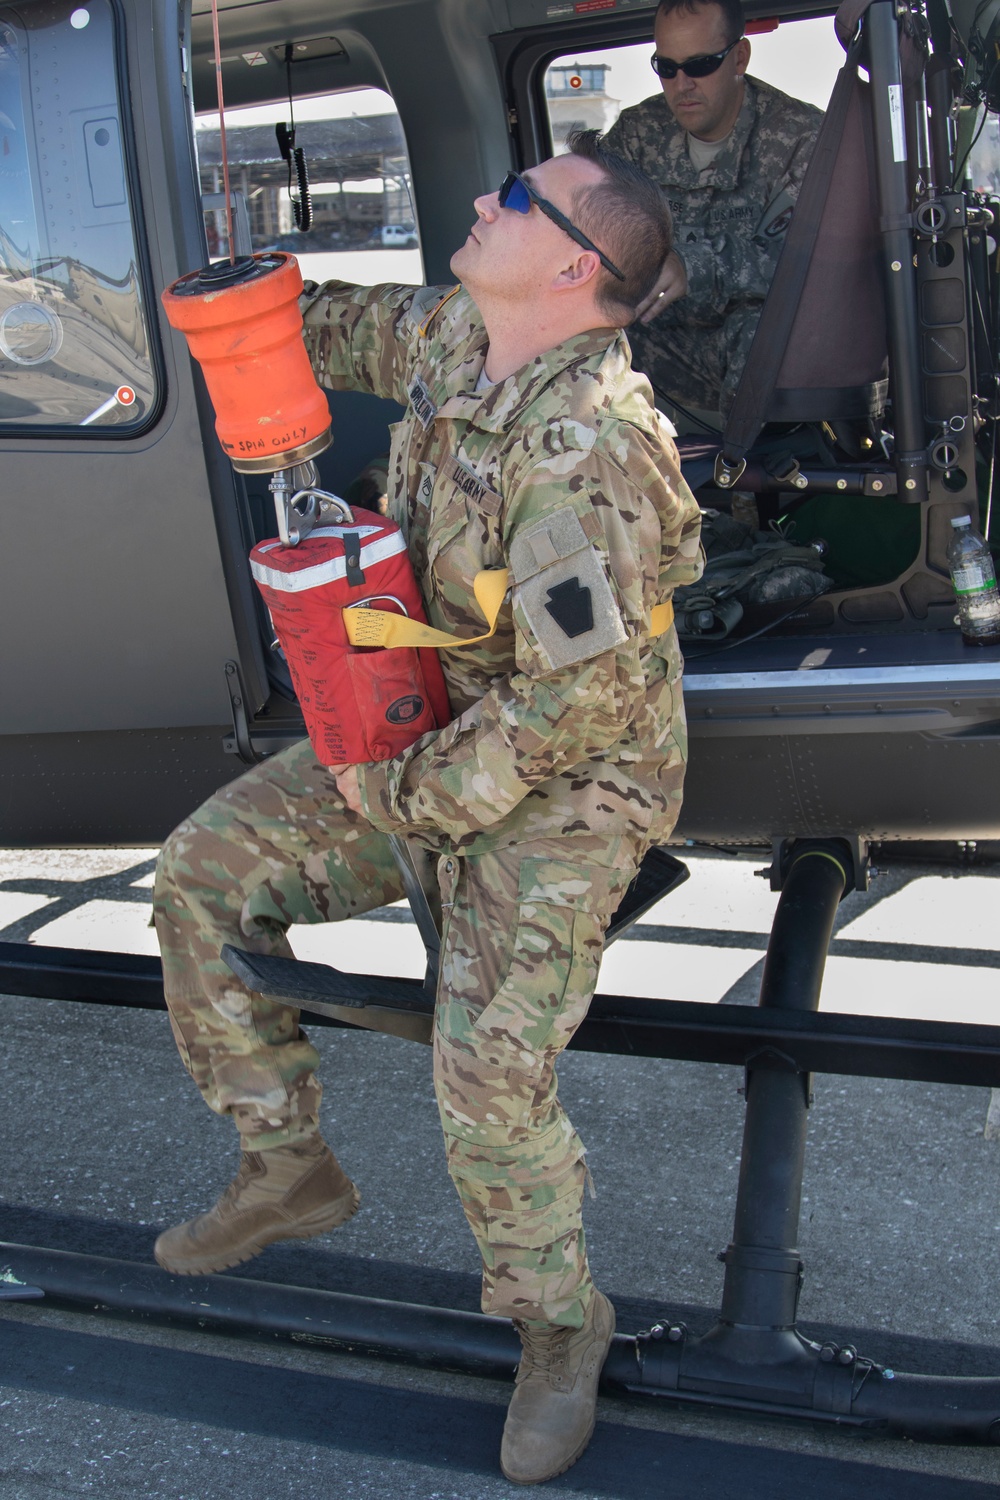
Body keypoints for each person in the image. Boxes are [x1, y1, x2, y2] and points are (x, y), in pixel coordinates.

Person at [152, 131, 703, 1486]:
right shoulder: (467, 330)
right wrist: (234, 308)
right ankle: (287, 1165)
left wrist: (405, 793)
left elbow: (579, 707)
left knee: (486, 1071)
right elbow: (345, 330)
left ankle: (559, 1327)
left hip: (572, 774)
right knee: (200, 870)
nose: (482, 198)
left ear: (573, 267)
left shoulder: (591, 455)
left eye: (517, 197)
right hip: (444, 718)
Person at [603, 0, 823, 419]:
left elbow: (812, 266)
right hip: (656, 338)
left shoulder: (801, 138)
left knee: (763, 331)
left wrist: (696, 265)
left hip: (748, 349)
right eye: (666, 68)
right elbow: (589, 223)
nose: (682, 84)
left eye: (700, 65)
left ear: (739, 57)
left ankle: (749, 478)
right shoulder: (636, 133)